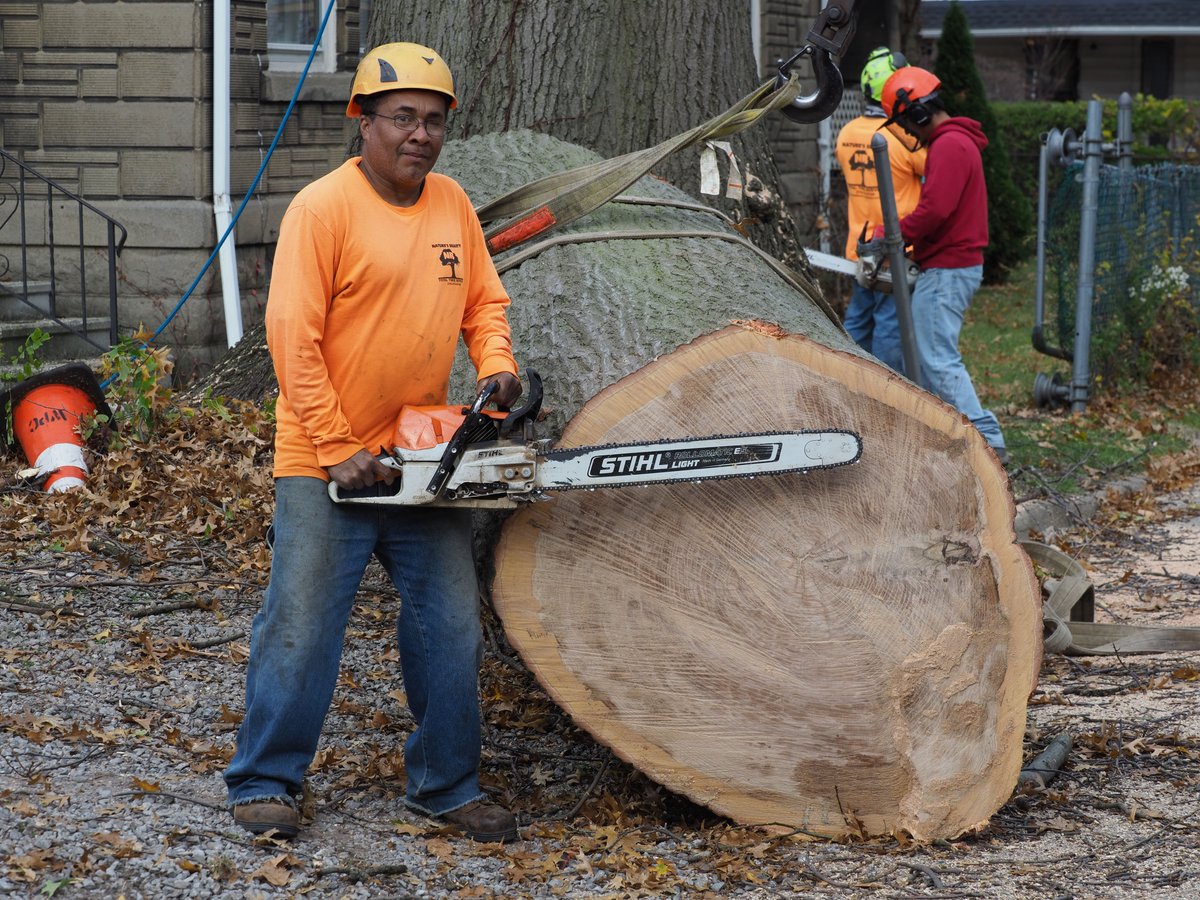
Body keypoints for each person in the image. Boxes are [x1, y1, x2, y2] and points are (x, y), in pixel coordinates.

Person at [223, 42, 523, 843]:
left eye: (432, 120)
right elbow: (292, 336)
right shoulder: (323, 209)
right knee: (302, 624)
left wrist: (497, 367)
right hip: (326, 460)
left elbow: (484, 303)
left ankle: (446, 783)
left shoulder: (453, 205)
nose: (419, 135)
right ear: (362, 121)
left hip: (421, 460)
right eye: (402, 118)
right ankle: (265, 779)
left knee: (450, 627)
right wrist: (332, 445)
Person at [878, 65, 1007, 462]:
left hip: (949, 267)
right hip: (951, 264)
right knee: (931, 354)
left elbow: (935, 210)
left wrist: (893, 235)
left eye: (905, 123)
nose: (909, 132)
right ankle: (952, 433)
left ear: (916, 113)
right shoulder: (955, 142)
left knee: (937, 356)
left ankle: (986, 440)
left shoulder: (949, 145)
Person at [835, 47, 926, 374]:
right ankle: (888, 385)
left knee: (858, 318)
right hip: (895, 246)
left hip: (859, 246)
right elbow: (932, 170)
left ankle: (847, 374)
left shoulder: (847, 133)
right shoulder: (902, 136)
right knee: (890, 321)